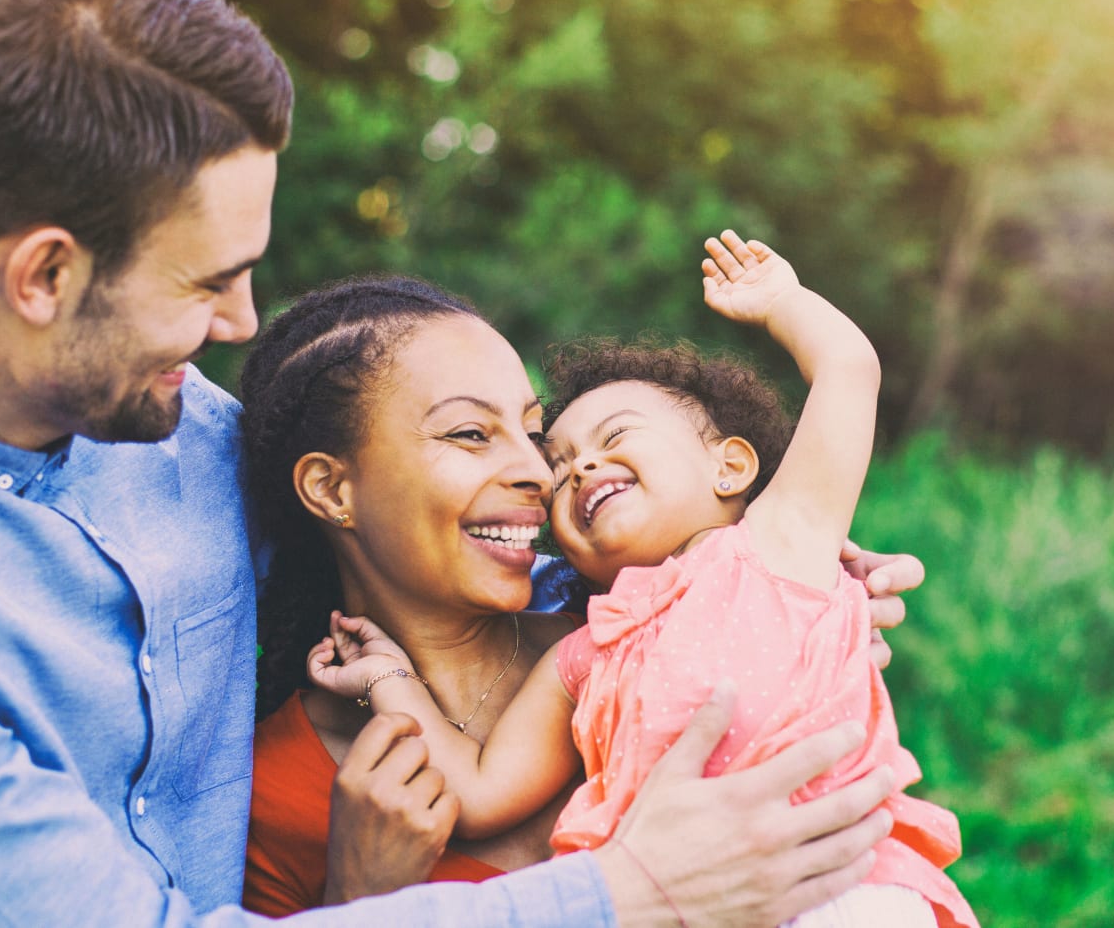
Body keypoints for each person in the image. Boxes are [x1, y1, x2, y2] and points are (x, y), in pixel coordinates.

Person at [0, 0, 918, 926]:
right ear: (45, 275)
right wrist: (631, 893)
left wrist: (740, 566)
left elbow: (446, 540)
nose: (239, 324)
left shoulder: (183, 434)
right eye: (206, 280)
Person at [310, 232, 976, 927]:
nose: (580, 470)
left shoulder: (782, 542)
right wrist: (390, 679)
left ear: (732, 469)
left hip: (836, 889)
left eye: (614, 437)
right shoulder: (586, 652)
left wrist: (782, 302)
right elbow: (477, 796)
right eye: (561, 468)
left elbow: (848, 369)